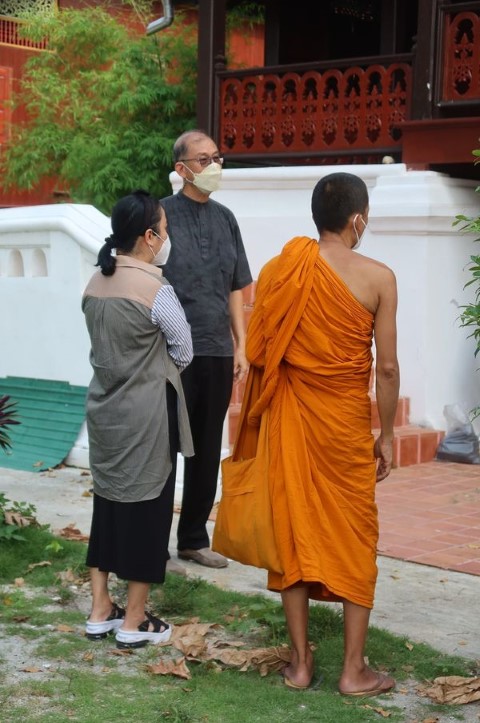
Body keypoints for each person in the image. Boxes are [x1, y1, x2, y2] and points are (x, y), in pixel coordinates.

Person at [239, 172, 399, 694]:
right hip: (345, 427)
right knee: (356, 535)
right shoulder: (379, 278)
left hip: (292, 420)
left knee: (292, 530)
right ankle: (354, 669)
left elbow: (261, 351)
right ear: (358, 220)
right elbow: (387, 369)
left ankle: (301, 663)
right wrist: (387, 435)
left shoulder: (280, 269)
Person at [82, 190, 194, 649]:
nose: (166, 237)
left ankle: (99, 609)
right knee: (148, 510)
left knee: (107, 506)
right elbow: (184, 350)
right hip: (147, 415)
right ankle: (134, 620)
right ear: (149, 237)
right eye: (163, 229)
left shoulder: (95, 283)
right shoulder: (155, 289)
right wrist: (150, 369)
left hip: (103, 410)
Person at [161, 130, 253, 569]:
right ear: (182, 170)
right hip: (170, 351)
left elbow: (236, 286)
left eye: (217, 157)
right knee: (163, 447)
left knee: (206, 447)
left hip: (216, 349)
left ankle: (193, 539)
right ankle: (151, 539)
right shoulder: (161, 215)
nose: (213, 165)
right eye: (203, 159)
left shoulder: (227, 218)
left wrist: (241, 344)